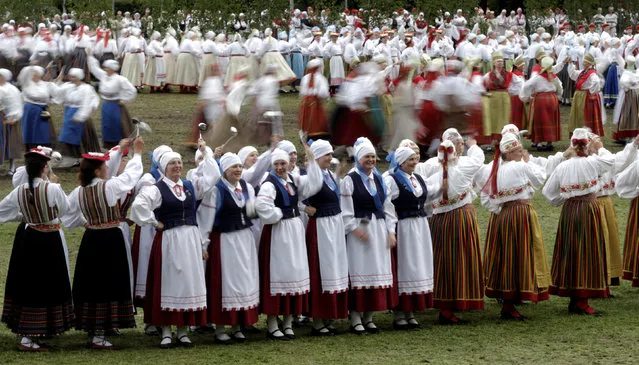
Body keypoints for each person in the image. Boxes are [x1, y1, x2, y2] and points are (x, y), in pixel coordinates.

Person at [131, 145, 220, 348]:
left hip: (189, 239)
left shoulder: (189, 185)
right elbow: (139, 205)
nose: (177, 166)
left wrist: (206, 152)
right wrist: (154, 222)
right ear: (164, 167)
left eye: (179, 162)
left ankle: (182, 330)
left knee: (187, 282)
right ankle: (166, 331)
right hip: (170, 240)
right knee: (169, 282)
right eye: (172, 163)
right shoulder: (157, 188)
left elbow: (213, 177)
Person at [63, 137, 144, 349]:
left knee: (92, 283)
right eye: (104, 167)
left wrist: (90, 220)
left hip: (91, 239)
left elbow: (69, 219)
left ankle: (95, 328)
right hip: (110, 239)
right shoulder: (110, 187)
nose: (108, 169)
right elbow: (131, 176)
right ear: (98, 171)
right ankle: (101, 331)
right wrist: (137, 153)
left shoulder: (78, 192)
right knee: (109, 283)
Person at [0, 147, 74, 351]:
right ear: (44, 168)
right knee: (48, 284)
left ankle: (32, 331)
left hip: (29, 238)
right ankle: (31, 336)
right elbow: (65, 209)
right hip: (49, 240)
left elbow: (2, 211)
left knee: (29, 285)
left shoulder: (19, 190)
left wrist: (25, 214)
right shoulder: (53, 189)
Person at [542, 128, 614, 315]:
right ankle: (581, 302)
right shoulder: (593, 162)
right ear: (586, 145)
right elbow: (612, 161)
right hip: (589, 208)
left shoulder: (562, 166)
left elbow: (548, 193)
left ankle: (575, 298)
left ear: (572, 145)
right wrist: (597, 147)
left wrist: (564, 199)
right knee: (588, 251)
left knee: (571, 251)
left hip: (569, 211)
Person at [480, 133, 550, 320]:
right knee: (520, 254)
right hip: (520, 213)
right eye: (519, 150)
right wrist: (528, 162)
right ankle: (514, 299)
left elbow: (486, 198)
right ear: (510, 153)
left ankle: (508, 298)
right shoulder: (519, 166)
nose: (522, 152)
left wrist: (499, 208)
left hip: (503, 215)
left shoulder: (494, 169)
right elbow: (539, 178)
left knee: (507, 256)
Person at [255, 146, 322, 340]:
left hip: (293, 231)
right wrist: (277, 214)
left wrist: (312, 161)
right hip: (278, 232)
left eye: (283, 163)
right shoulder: (269, 184)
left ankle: (288, 321)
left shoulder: (293, 180)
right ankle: (273, 322)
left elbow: (315, 183)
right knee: (279, 274)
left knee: (294, 272)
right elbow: (262, 205)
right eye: (276, 164)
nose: (280, 167)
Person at [198, 153, 259, 343]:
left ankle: (238, 325)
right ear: (224, 170)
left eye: (240, 166)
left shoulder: (247, 187)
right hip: (224, 240)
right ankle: (220, 328)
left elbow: (253, 213)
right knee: (225, 282)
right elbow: (205, 219)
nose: (238, 170)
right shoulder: (216, 191)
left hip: (244, 240)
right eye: (234, 167)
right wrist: (203, 244)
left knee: (243, 281)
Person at [340, 137, 398, 334]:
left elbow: (388, 208)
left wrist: (391, 231)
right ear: (358, 158)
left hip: (379, 228)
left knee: (376, 269)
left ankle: (369, 316)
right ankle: (355, 317)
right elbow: (345, 210)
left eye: (373, 156)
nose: (371, 160)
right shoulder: (350, 179)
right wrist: (354, 229)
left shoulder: (379, 178)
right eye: (367, 156)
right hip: (360, 229)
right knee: (359, 270)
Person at [426, 137, 485, 324]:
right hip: (461, 219)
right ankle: (458, 301)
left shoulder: (432, 178)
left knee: (443, 261)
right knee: (461, 260)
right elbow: (478, 160)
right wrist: (473, 146)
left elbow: (425, 202)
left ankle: (444, 303)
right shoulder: (462, 170)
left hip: (439, 222)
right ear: (454, 156)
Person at [384, 146, 434, 329]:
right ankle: (399, 313)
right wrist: (390, 229)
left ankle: (410, 311)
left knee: (417, 266)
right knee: (405, 266)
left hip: (420, 227)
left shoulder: (418, 178)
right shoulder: (391, 180)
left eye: (415, 159)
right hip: (403, 227)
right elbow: (387, 206)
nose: (414, 162)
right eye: (410, 160)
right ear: (401, 162)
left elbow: (426, 200)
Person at [303, 140, 349, 336]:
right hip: (321, 227)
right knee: (321, 270)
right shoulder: (310, 176)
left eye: (330, 155)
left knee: (335, 268)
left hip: (334, 226)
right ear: (317, 157)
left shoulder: (329, 175)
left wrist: (338, 175)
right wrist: (304, 208)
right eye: (326, 156)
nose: (330, 159)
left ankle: (329, 315)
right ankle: (318, 320)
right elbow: (295, 198)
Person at [87, 56, 136, 149]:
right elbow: (94, 68)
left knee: (117, 124)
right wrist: (90, 56)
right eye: (105, 68)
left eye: (107, 68)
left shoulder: (120, 79)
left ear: (112, 69)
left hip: (116, 106)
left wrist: (123, 100)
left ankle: (119, 143)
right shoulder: (104, 76)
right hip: (106, 105)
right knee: (107, 125)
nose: (105, 69)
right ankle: (109, 144)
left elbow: (132, 90)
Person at [55, 68, 100, 165]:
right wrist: (58, 81)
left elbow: (90, 101)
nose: (71, 78)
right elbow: (57, 93)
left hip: (81, 114)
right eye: (70, 76)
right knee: (67, 135)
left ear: (79, 77)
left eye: (74, 76)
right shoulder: (67, 86)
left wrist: (82, 115)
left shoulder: (86, 88)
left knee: (82, 136)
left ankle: (85, 156)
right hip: (69, 113)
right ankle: (70, 157)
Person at [519, 56, 563, 151]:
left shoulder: (537, 77)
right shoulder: (554, 77)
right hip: (552, 99)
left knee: (540, 120)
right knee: (551, 120)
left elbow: (527, 85)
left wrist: (527, 97)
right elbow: (560, 88)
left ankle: (539, 143)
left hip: (541, 100)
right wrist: (558, 96)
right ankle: (549, 142)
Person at [18, 66, 58, 151]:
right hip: (29, 111)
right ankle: (30, 147)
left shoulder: (46, 85)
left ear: (40, 75)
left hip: (42, 111)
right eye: (32, 74)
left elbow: (59, 95)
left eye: (36, 74)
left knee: (43, 130)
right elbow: (22, 75)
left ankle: (44, 147)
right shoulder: (27, 84)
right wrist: (31, 67)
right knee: (30, 130)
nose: (34, 76)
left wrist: (50, 102)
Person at [482, 52, 519, 142]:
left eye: (502, 61)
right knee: (493, 119)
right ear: (494, 63)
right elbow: (482, 86)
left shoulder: (509, 74)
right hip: (493, 99)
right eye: (498, 61)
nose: (500, 63)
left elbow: (519, 84)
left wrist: (510, 91)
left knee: (505, 118)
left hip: (505, 98)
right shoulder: (488, 75)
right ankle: (493, 140)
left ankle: (504, 138)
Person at [568, 54, 604, 136]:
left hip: (584, 97)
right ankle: (579, 134)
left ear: (588, 64)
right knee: (578, 115)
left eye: (584, 63)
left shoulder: (591, 74)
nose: (583, 64)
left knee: (583, 116)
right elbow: (573, 74)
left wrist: (590, 92)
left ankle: (584, 135)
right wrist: (570, 63)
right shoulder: (583, 72)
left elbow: (596, 82)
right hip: (579, 96)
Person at [298, 58, 330, 139]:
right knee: (317, 122)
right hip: (316, 104)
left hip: (305, 104)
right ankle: (317, 135)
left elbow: (302, 92)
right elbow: (323, 93)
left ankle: (305, 134)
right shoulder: (320, 78)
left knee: (305, 120)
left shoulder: (305, 78)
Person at [0, 68, 23, 174]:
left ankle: (12, 166)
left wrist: (13, 117)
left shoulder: (12, 90)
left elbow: (16, 105)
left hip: (8, 118)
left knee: (11, 141)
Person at [613, 56, 639, 141]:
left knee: (624, 113)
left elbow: (624, 83)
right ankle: (630, 136)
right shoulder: (635, 72)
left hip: (627, 94)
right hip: (632, 94)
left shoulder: (627, 73)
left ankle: (624, 136)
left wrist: (629, 86)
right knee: (632, 115)